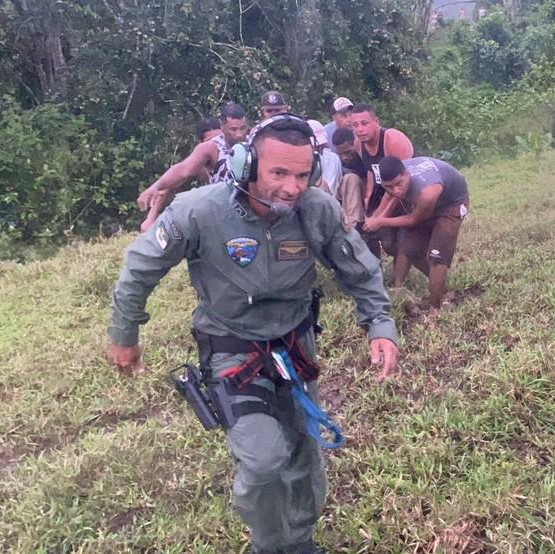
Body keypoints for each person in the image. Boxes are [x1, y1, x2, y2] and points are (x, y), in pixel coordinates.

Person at [107, 114, 399, 554]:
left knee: (303, 453)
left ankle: (300, 543)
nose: (292, 187)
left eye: (302, 174)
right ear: (247, 164)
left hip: (295, 345)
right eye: (278, 173)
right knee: (264, 461)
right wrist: (124, 333)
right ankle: (269, 546)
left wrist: (379, 323)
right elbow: (139, 269)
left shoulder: (317, 209)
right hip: (232, 350)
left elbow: (360, 269)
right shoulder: (198, 211)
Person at [362, 156, 469, 311]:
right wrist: (372, 220)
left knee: (437, 255)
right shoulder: (395, 180)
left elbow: (413, 220)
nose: (395, 190)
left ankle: (435, 308)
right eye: (388, 186)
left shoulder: (428, 191)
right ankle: (440, 287)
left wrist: (380, 222)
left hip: (451, 204)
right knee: (410, 249)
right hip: (428, 205)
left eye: (399, 184)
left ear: (406, 174)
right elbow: (389, 197)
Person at [137, 102, 250, 231]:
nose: (239, 134)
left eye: (242, 128)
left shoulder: (254, 142)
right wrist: (155, 188)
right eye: (233, 129)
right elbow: (182, 171)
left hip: (253, 209)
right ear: (223, 127)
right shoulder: (211, 148)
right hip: (224, 212)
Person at [349, 103, 414, 256]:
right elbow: (371, 169)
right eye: (355, 125)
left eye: (364, 123)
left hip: (407, 193)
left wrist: (380, 217)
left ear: (376, 122)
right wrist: (368, 196)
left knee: (404, 241)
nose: (360, 129)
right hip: (384, 192)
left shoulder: (391, 139)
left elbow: (403, 183)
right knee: (386, 243)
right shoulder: (358, 143)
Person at [330, 127, 370, 233]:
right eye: (340, 154)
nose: (345, 157)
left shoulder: (365, 155)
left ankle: (353, 227)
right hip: (342, 197)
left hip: (363, 195)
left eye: (348, 152)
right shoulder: (335, 159)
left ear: (355, 143)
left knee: (351, 179)